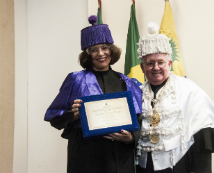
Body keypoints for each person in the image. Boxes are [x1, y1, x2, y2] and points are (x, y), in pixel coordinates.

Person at [44, 15, 142, 173]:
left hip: (120, 158)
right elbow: (55, 119)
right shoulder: (75, 80)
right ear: (87, 55)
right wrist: (73, 115)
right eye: (93, 50)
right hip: (86, 158)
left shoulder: (126, 82)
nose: (100, 53)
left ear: (112, 50)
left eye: (104, 47)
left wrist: (131, 138)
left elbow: (139, 119)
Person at [135, 22, 214, 173]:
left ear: (169, 64)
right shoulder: (136, 92)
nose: (156, 68)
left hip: (180, 164)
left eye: (160, 62)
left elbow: (204, 136)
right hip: (146, 167)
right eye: (150, 63)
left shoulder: (190, 90)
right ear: (142, 68)